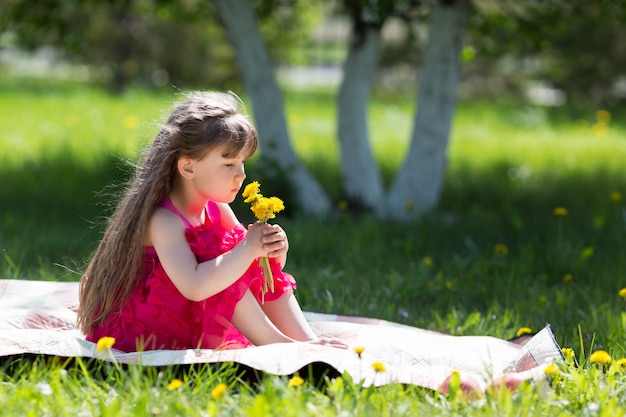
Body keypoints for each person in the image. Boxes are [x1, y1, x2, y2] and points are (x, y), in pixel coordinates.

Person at [77, 91, 338, 352]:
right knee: (225, 264)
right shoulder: (163, 220)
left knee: (235, 260)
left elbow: (253, 271)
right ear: (188, 168)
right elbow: (195, 286)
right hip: (148, 328)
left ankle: (308, 342)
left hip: (191, 319)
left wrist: (272, 251)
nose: (241, 175)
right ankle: (281, 346)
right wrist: (246, 249)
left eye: (242, 162)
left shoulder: (218, 209)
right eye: (229, 164)